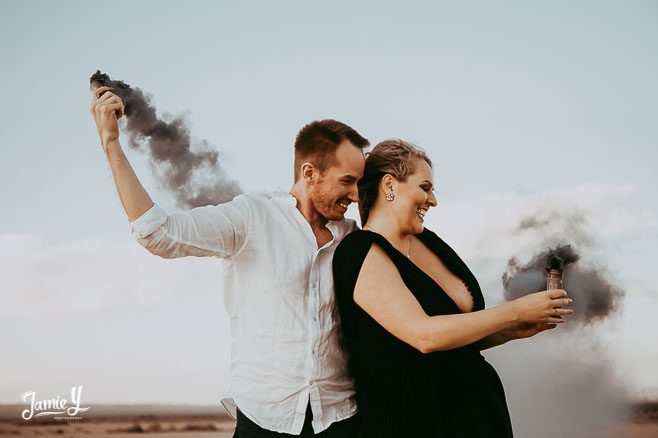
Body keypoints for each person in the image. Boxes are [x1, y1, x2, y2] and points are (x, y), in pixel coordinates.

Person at [90, 86, 369, 437]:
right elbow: (156, 233)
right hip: (266, 417)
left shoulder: (353, 236)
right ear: (309, 172)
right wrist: (111, 143)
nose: (356, 195)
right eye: (347, 181)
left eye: (359, 182)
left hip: (340, 418)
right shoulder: (251, 216)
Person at [332, 140, 573, 437]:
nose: (432, 200)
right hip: (412, 420)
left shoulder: (429, 241)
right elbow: (423, 335)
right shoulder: (359, 249)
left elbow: (456, 338)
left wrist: (516, 329)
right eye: (425, 187)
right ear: (389, 185)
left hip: (478, 416)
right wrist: (513, 313)